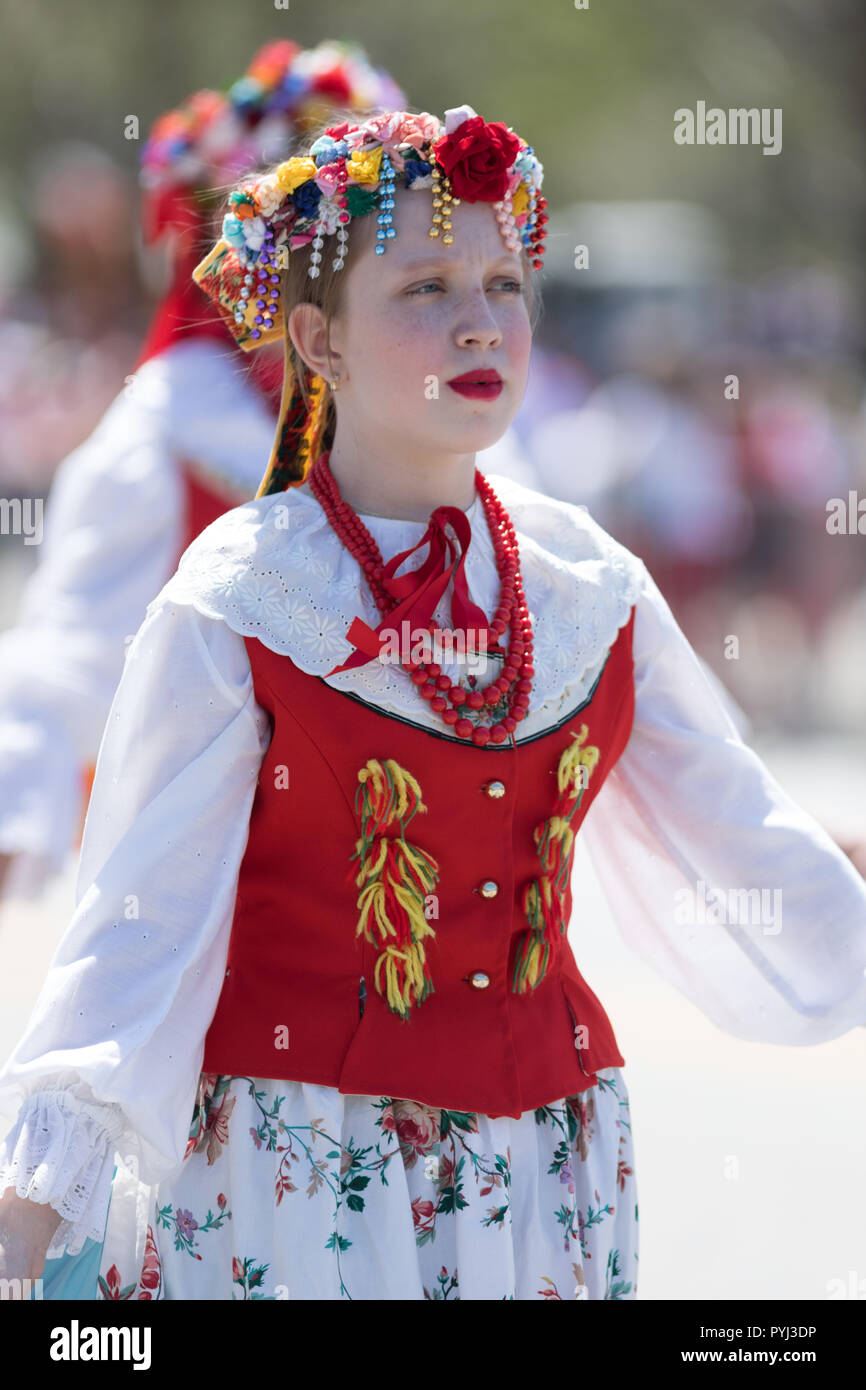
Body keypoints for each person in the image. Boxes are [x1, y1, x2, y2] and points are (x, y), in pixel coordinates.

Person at [1, 103, 865, 1302]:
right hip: (300, 1167)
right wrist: (35, 1204)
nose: (479, 320)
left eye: (504, 282)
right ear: (318, 337)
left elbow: (742, 832)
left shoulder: (584, 583)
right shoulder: (246, 596)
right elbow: (138, 922)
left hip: (549, 1167)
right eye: (422, 288)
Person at [0, 38, 409, 903]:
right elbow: (67, 653)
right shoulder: (158, 438)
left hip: (404, 866)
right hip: (213, 874)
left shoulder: (418, 409)